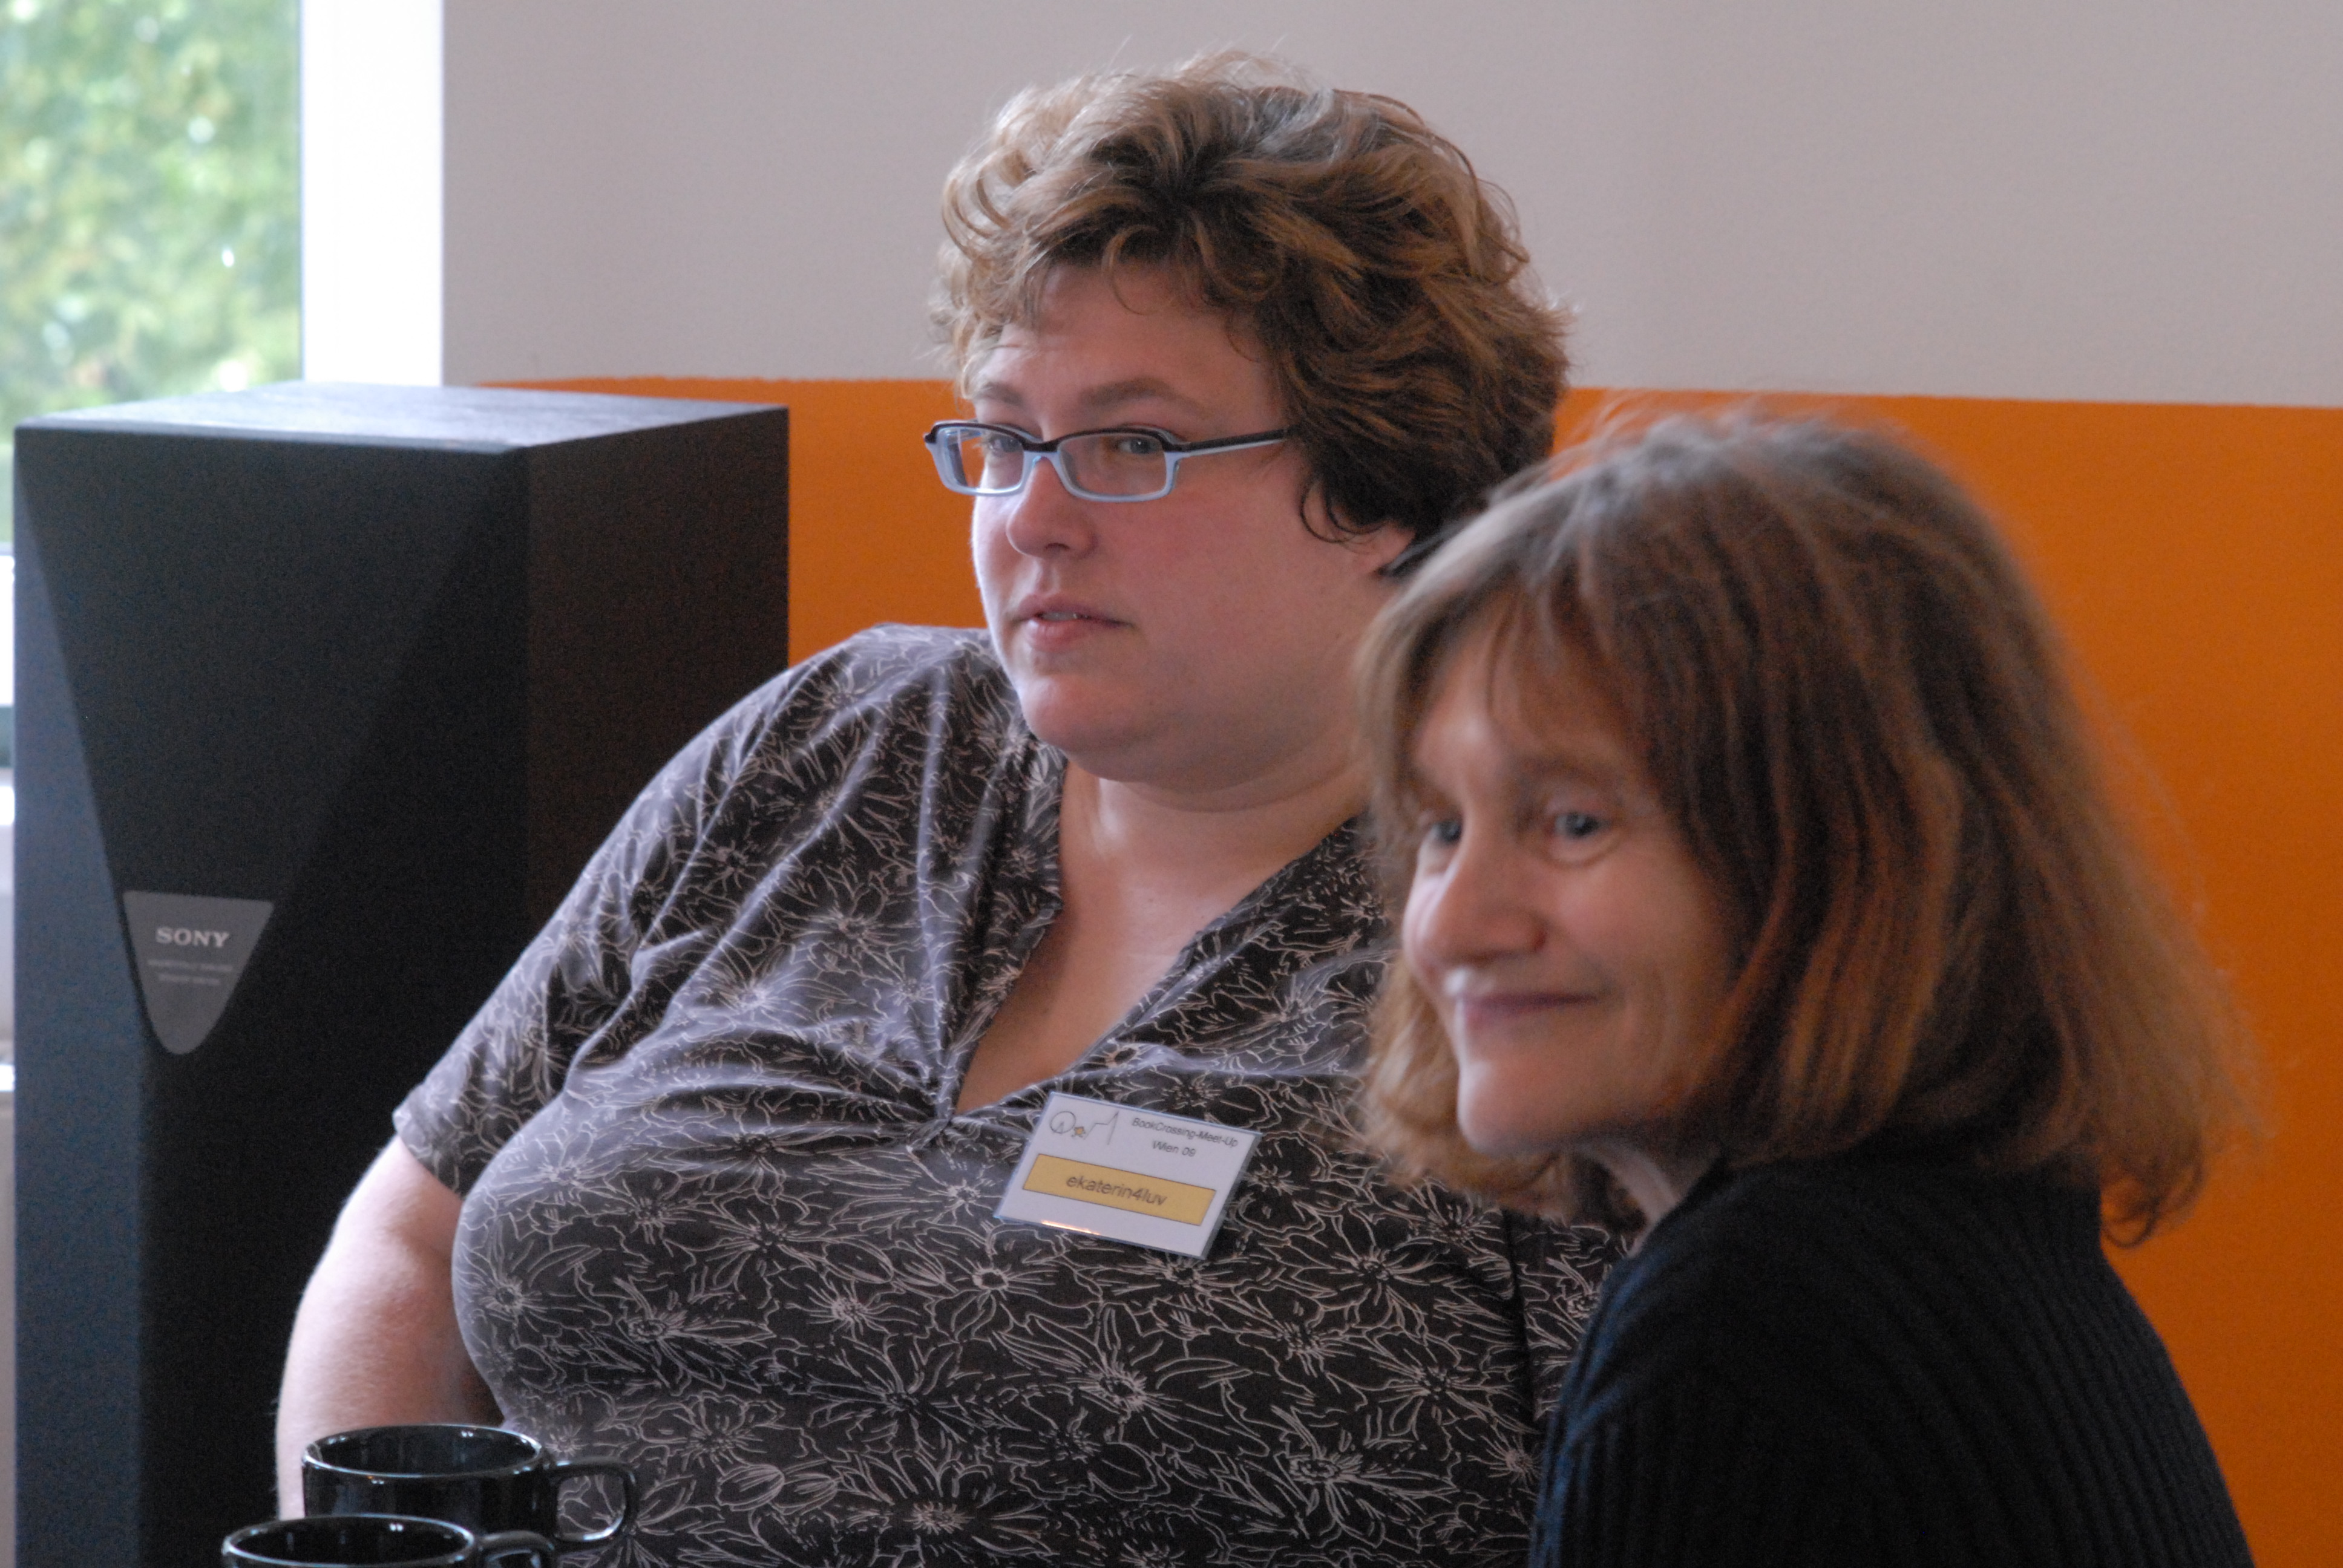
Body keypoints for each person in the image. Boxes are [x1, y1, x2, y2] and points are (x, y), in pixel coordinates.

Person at [275, 54, 1617, 1567]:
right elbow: (412, 1231)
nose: (1032, 517)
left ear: (1388, 491)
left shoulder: (1538, 916)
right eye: (1004, 437)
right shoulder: (839, 741)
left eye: (1132, 446)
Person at [1357, 413, 2256, 1566]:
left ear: (1843, 859)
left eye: (1574, 822)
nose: (1453, 924)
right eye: (1442, 826)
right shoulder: (1965, 1249)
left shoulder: (1748, 1321)